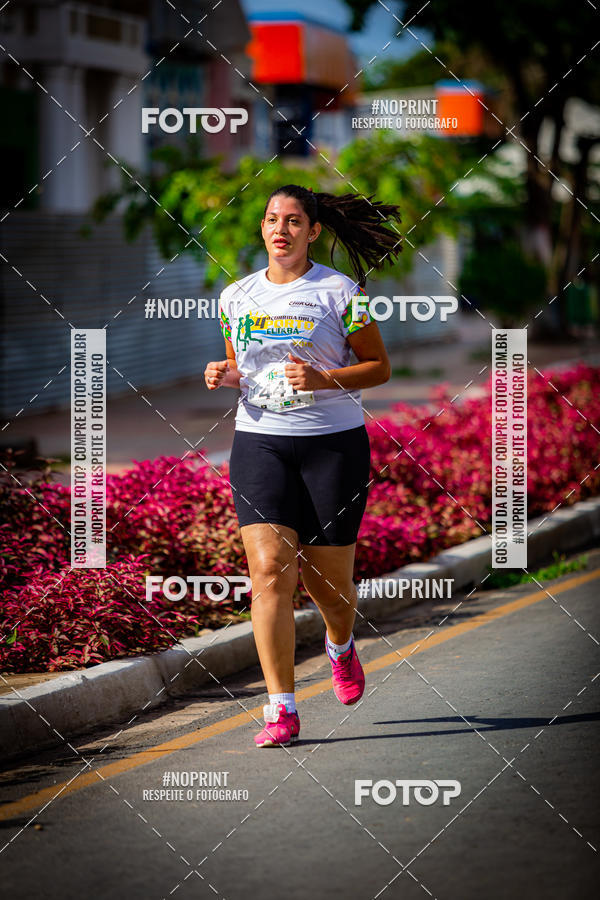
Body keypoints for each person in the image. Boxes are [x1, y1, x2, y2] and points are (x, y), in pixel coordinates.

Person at [204, 184, 402, 747]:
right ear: (262, 229)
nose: (280, 229)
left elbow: (379, 367)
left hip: (332, 445)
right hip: (259, 442)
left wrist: (323, 379)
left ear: (313, 231)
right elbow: (249, 368)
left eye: (293, 221)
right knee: (268, 570)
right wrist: (225, 372)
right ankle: (280, 708)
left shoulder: (341, 292)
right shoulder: (235, 296)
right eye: (272, 219)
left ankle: (340, 646)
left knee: (328, 587)